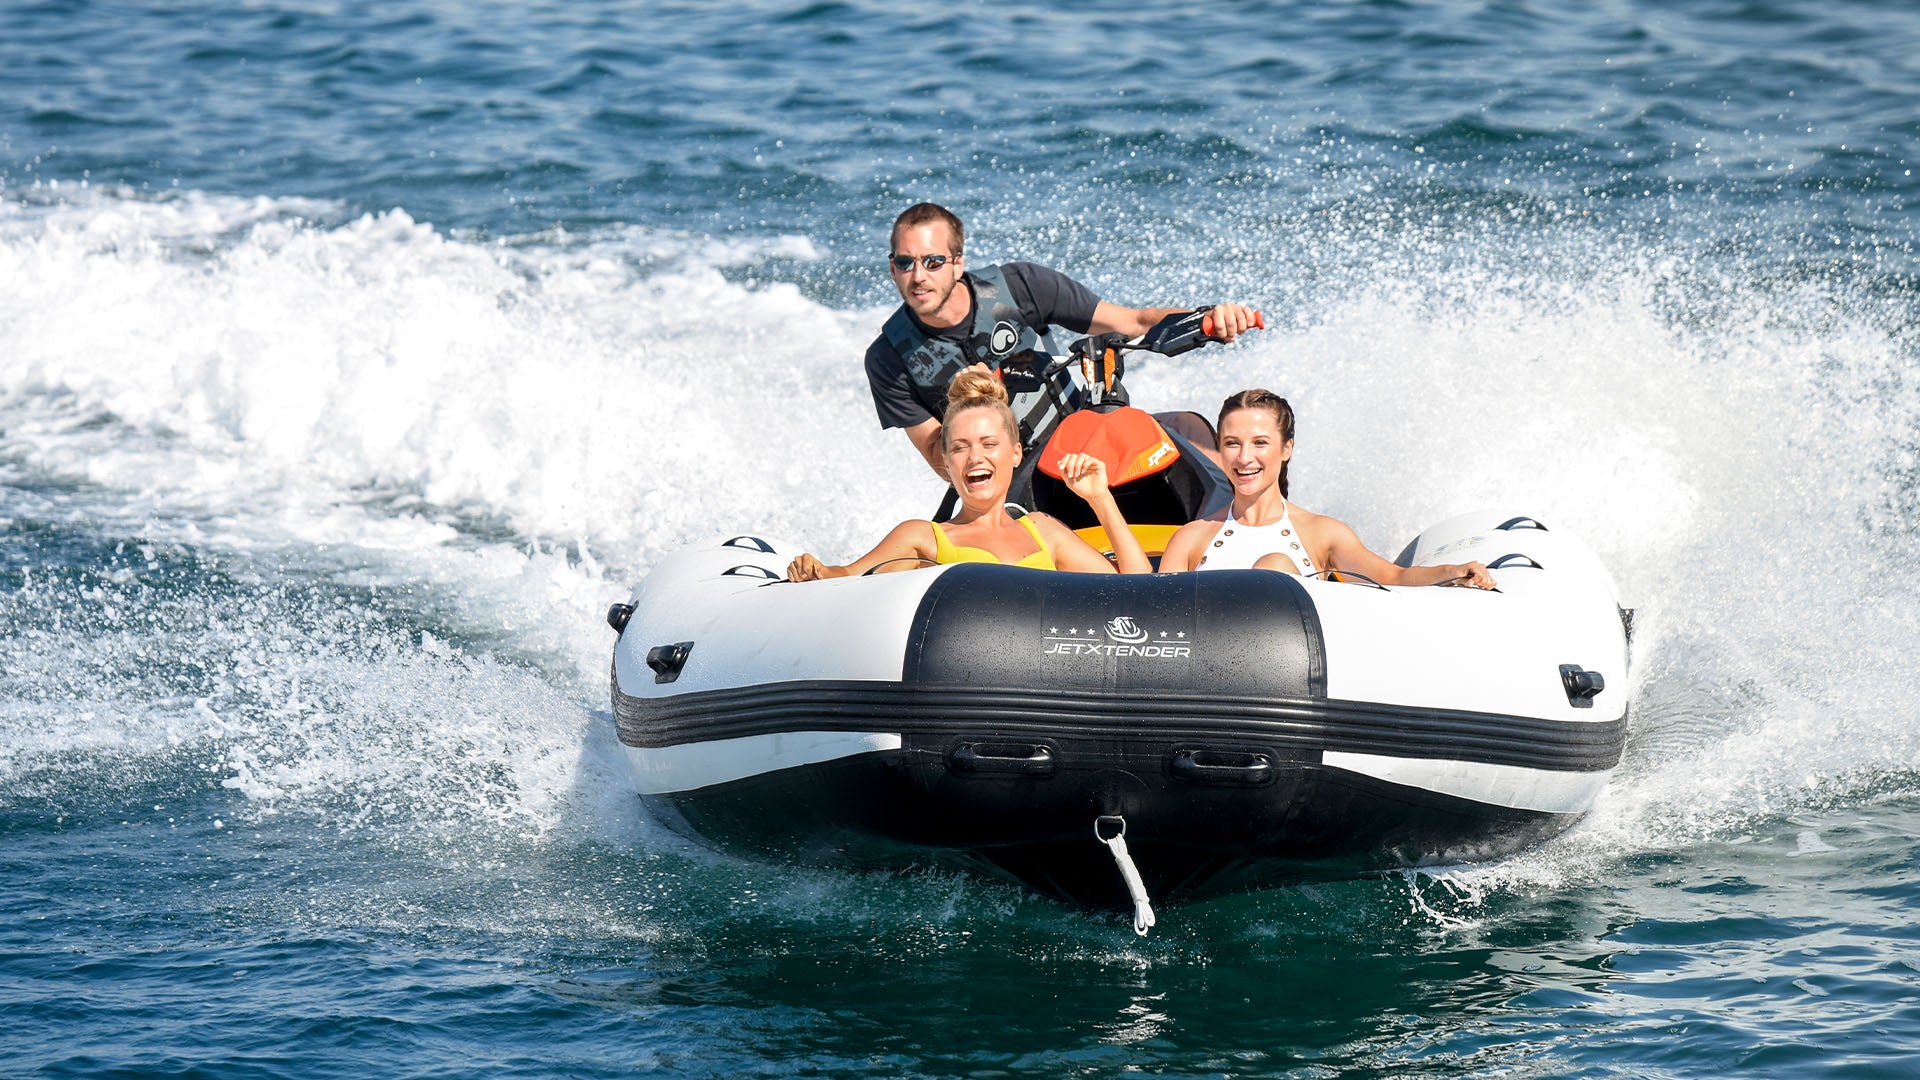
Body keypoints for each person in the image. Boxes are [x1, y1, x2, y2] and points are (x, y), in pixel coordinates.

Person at [867, 202, 1261, 482]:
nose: (918, 276)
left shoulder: (1020, 286)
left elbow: (1133, 321)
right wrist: (968, 407)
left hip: (1083, 435)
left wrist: (1207, 318)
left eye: (933, 261)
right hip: (1015, 482)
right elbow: (940, 460)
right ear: (892, 268)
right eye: (905, 263)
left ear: (957, 263)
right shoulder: (888, 357)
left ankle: (1246, 519)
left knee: (1186, 426)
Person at [788, 370, 1151, 580]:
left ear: (1015, 454)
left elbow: (1136, 592)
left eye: (988, 444)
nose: (975, 457)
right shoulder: (923, 537)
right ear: (946, 462)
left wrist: (1100, 499)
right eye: (960, 447)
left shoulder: (1042, 530)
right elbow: (848, 579)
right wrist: (814, 572)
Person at [1155, 389, 1498, 588]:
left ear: (1286, 448)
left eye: (1260, 443)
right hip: (1204, 690)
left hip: (1292, 686)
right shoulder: (1191, 538)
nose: (1245, 458)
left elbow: (1392, 576)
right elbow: (1158, 621)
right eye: (1232, 444)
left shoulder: (1321, 533)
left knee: (1274, 565)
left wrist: (1452, 574)